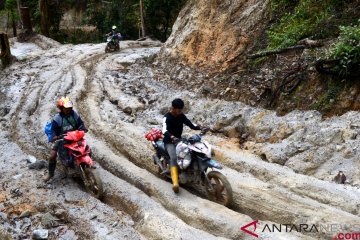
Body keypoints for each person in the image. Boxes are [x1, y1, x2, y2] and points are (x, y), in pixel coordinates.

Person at [162, 98, 202, 193]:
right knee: (174, 158)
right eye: (179, 110)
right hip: (169, 142)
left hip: (179, 141)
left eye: (181, 110)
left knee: (190, 153)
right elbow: (164, 130)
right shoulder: (166, 117)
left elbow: (191, 125)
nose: (180, 112)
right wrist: (171, 137)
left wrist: (201, 127)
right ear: (173, 108)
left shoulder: (181, 116)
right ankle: (175, 183)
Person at [44, 97, 87, 182]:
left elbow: (80, 123)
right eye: (66, 108)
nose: (68, 110)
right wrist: (54, 136)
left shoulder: (74, 114)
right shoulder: (57, 118)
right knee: (52, 155)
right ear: (61, 108)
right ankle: (50, 174)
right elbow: (53, 130)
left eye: (69, 108)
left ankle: (85, 164)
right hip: (62, 139)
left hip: (75, 137)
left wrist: (82, 128)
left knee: (86, 149)